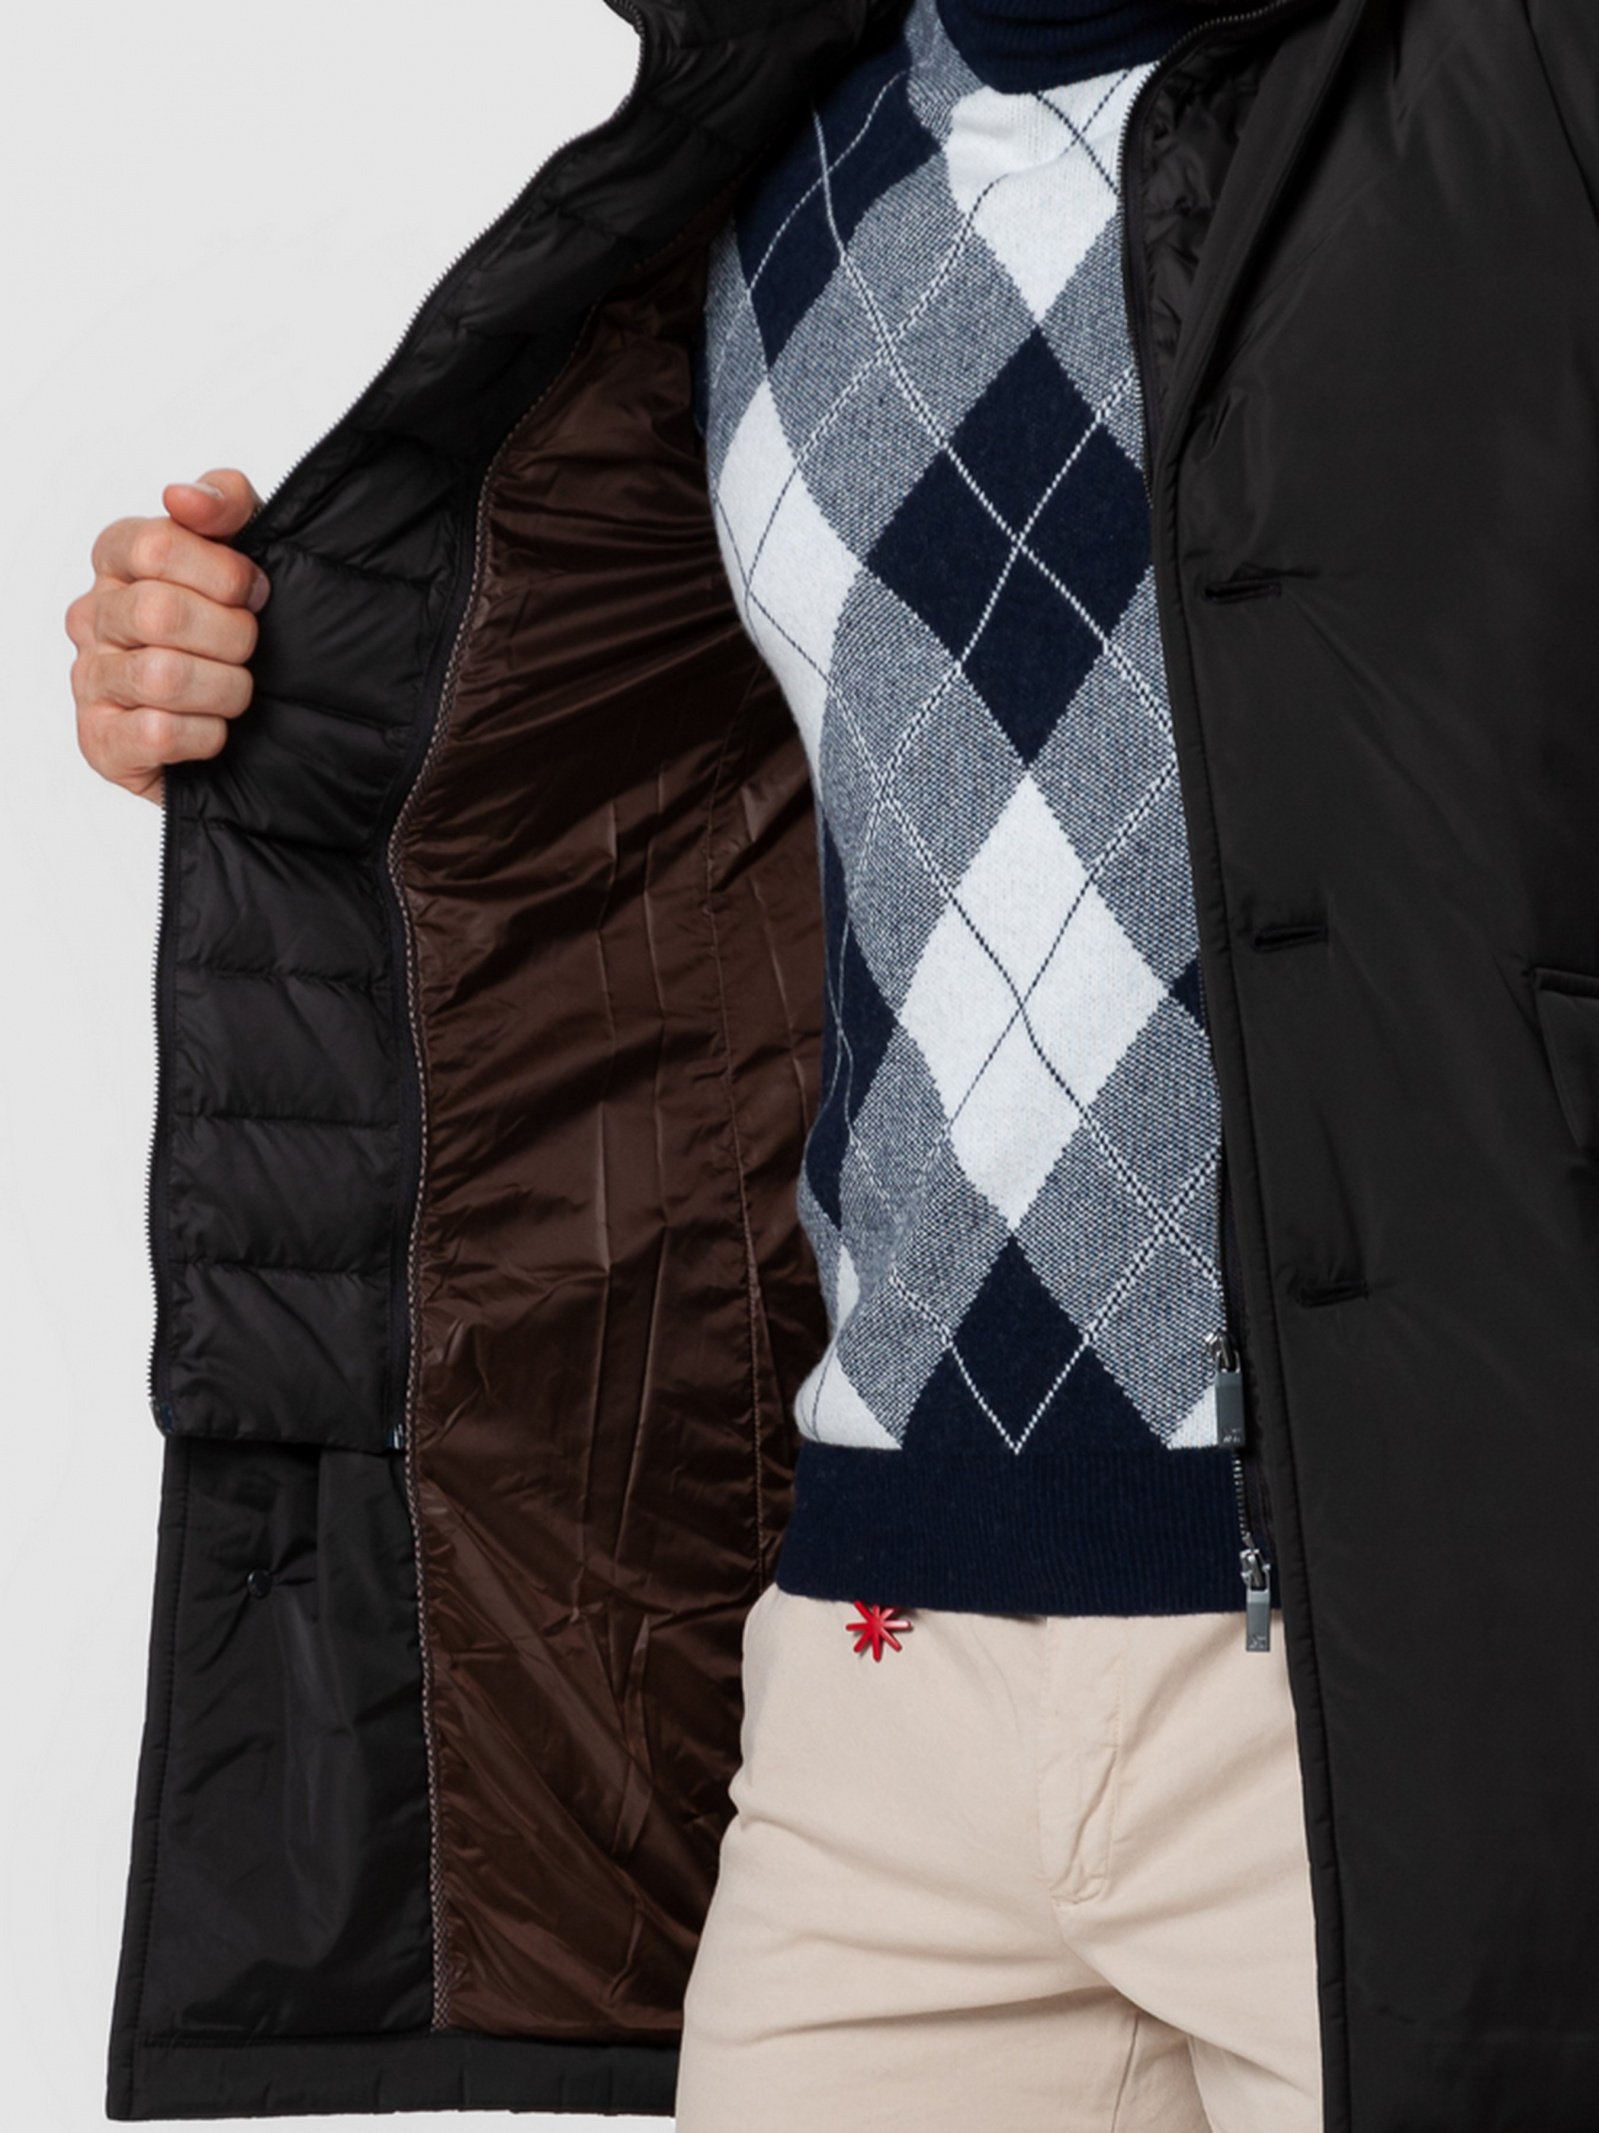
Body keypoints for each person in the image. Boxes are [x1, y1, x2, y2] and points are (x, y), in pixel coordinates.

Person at [65, 3, 1599, 2131]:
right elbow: (625, 816)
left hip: (1436, 1663)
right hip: (878, 1684)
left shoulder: (1516, 84)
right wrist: (279, 683)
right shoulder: (760, 172)